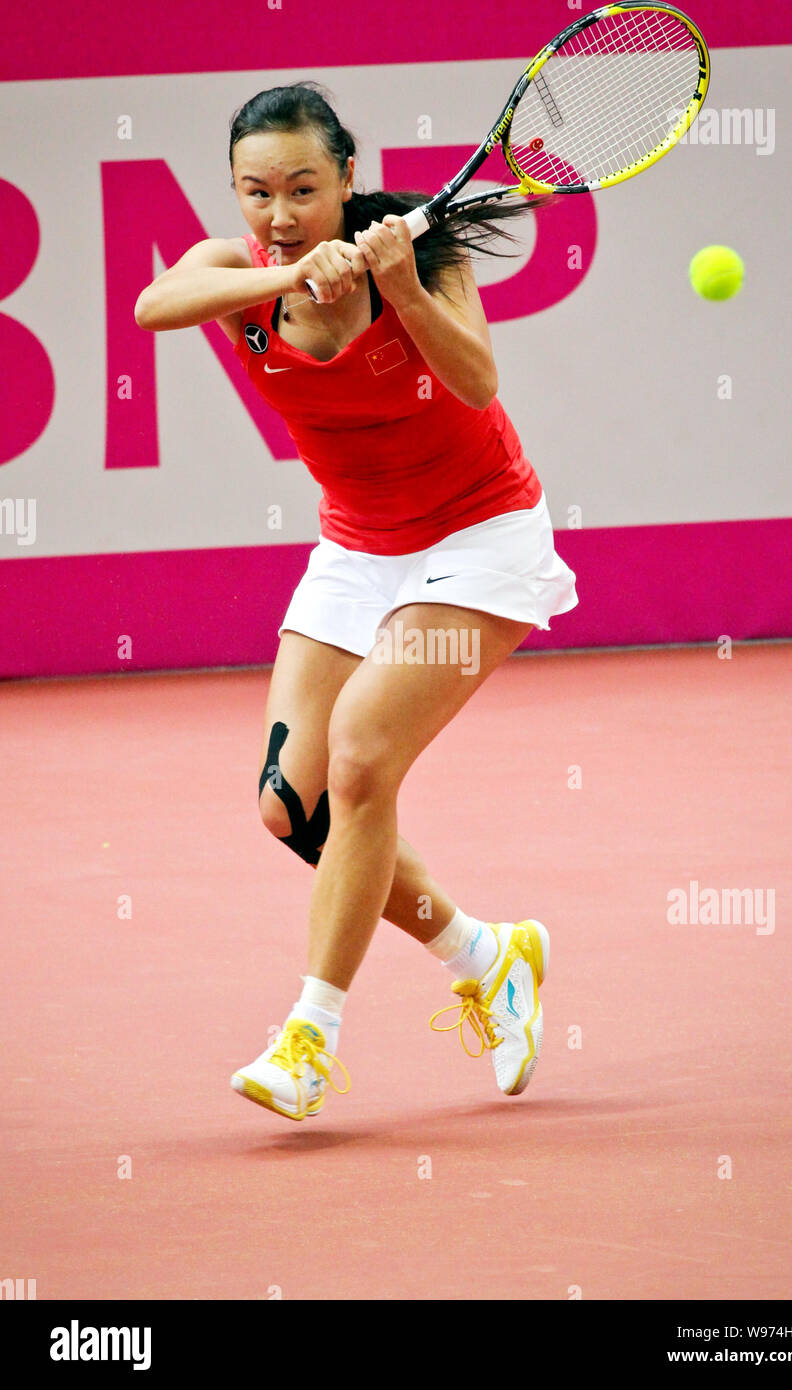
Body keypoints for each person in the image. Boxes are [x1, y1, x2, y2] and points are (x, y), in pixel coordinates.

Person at [135, 81, 579, 1122]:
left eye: (302, 188)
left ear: (346, 175)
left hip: (479, 539)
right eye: (257, 192)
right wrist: (293, 269)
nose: (279, 211)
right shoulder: (241, 272)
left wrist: (401, 287)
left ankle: (310, 1037)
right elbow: (154, 305)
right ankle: (488, 955)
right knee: (290, 805)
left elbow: (477, 382)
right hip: (358, 547)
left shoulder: (424, 251)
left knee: (364, 757)